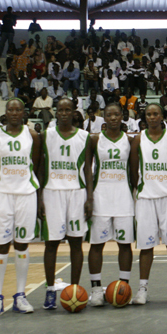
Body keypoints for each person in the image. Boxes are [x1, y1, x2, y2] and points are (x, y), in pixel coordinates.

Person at [0, 99, 41, 316]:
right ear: (5, 113)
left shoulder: (33, 136)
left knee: (22, 244)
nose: (15, 112)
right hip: (2, 193)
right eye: (11, 109)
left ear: (24, 112)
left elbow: (35, 165)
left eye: (18, 109)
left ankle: (20, 295)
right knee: (1, 245)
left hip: (26, 193)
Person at [129, 103, 167, 304]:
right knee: (146, 247)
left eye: (156, 114)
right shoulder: (138, 139)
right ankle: (142, 289)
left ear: (162, 115)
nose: (152, 117)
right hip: (146, 198)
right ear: (145, 117)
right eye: (149, 114)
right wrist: (138, 192)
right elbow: (133, 170)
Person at [38, 98, 92, 310]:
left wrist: (90, 197)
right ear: (55, 112)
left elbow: (88, 169)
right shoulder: (46, 135)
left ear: (73, 113)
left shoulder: (84, 137)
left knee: (76, 242)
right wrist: (40, 196)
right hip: (52, 192)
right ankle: (50, 290)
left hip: (76, 192)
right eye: (60, 109)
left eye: (67, 109)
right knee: (51, 243)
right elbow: (41, 168)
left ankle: (75, 288)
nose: (63, 113)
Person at [84, 103, 134, 306]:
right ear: (103, 118)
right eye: (109, 115)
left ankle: (124, 286)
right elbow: (87, 169)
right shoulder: (95, 139)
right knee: (97, 244)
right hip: (101, 194)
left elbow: (134, 170)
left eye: (116, 114)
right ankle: (96, 288)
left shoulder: (130, 140)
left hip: (123, 194)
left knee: (125, 244)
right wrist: (89, 197)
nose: (113, 118)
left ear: (122, 116)